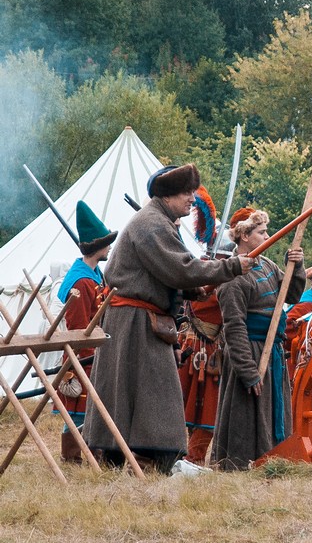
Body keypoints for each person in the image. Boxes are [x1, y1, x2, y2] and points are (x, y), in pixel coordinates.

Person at [83, 164, 253, 474]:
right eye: (186, 193)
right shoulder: (152, 224)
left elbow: (165, 275)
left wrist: (192, 291)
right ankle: (142, 455)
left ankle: (144, 456)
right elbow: (182, 268)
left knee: (147, 391)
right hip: (132, 320)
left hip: (140, 318)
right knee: (147, 390)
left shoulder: (160, 222)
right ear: (167, 195)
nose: (192, 198)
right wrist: (231, 267)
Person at [210, 208, 304, 470]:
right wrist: (248, 371)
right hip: (249, 351)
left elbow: (292, 296)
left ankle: (274, 461)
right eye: (262, 232)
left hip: (271, 349)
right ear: (244, 236)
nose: (267, 236)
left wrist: (295, 267)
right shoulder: (232, 278)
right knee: (246, 413)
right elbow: (234, 327)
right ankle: (239, 466)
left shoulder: (267, 265)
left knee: (273, 409)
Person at [53, 200, 116, 463]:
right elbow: (79, 327)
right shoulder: (81, 281)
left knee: (91, 410)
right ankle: (73, 457)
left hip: (95, 355)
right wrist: (89, 358)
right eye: (107, 243)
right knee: (78, 411)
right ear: (96, 247)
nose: (110, 247)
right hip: (84, 356)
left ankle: (92, 453)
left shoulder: (94, 274)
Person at [176, 188, 228, 466]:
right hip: (198, 349)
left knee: (204, 408)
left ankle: (192, 458)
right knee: (197, 407)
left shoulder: (206, 271)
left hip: (206, 348)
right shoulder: (207, 274)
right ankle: (188, 458)